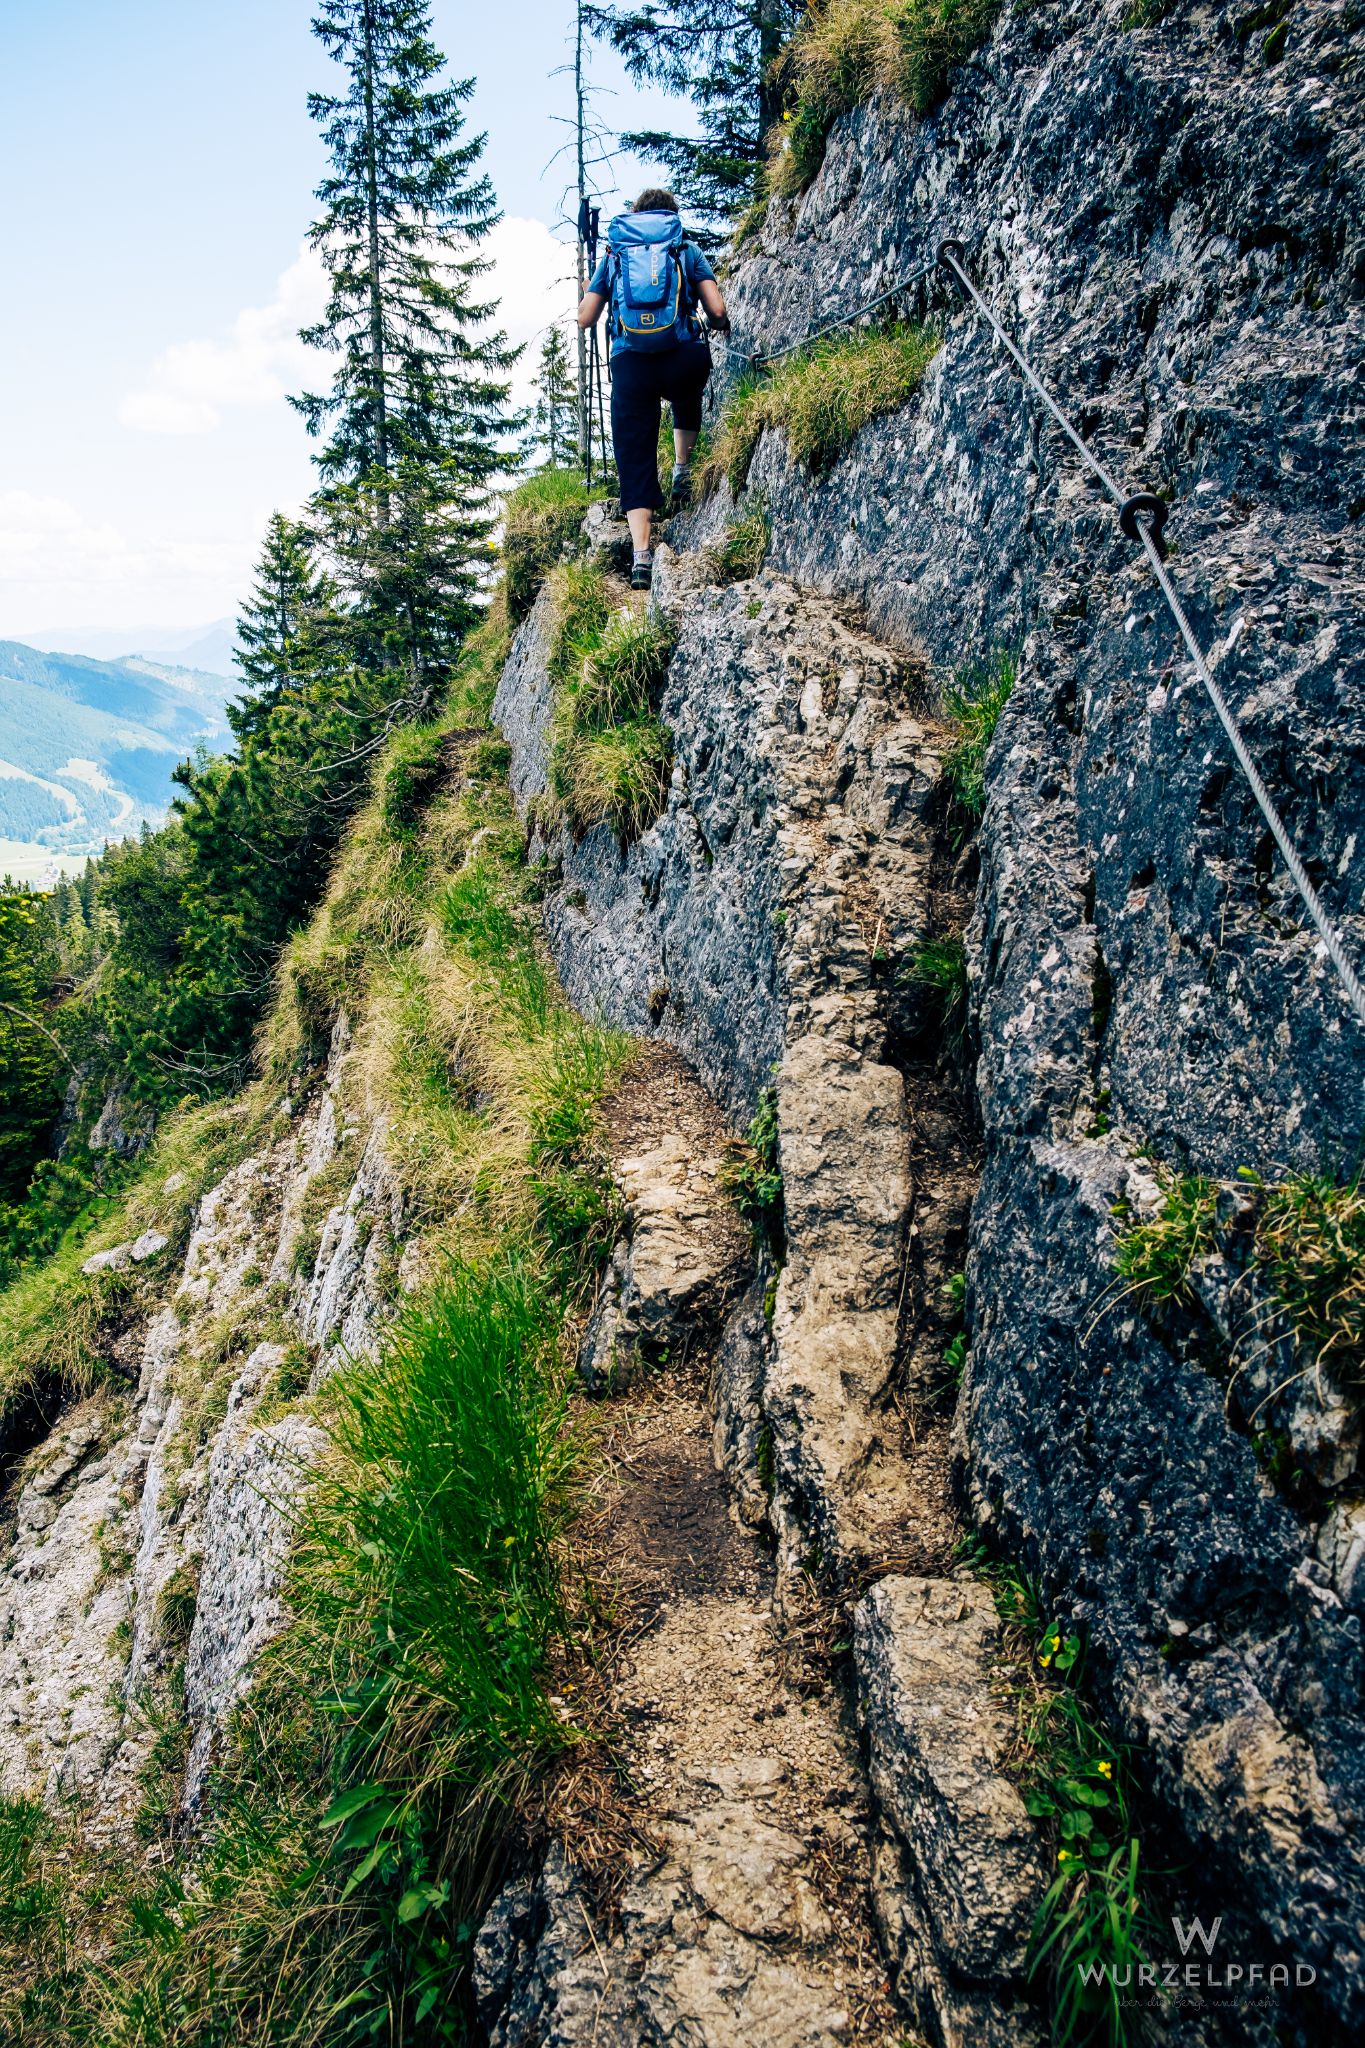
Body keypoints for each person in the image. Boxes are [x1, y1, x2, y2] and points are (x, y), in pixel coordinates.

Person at [578, 188, 731, 590]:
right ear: (671, 216)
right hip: (681, 356)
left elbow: (585, 318)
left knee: (634, 454)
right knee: (687, 388)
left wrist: (591, 286)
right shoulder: (685, 248)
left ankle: (642, 557)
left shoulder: (614, 254)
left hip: (631, 366)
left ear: (635, 216)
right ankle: (682, 469)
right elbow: (716, 312)